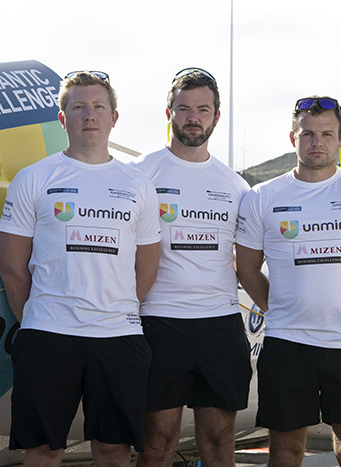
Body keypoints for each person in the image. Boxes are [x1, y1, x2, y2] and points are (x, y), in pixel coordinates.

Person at [0, 71, 161, 467]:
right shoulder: (34, 178)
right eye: (79, 107)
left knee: (113, 451)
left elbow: (147, 267)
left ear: (114, 117)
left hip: (118, 337)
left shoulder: (138, 184)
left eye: (99, 107)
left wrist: (113, 309)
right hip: (48, 335)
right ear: (62, 118)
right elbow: (12, 266)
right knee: (43, 451)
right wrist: (38, 317)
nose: (90, 115)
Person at [236, 96, 341, 467]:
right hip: (287, 345)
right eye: (307, 134)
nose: (317, 142)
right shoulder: (263, 196)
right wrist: (279, 311)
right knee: (286, 451)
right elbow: (246, 269)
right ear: (292, 138)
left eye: (326, 134)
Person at [131, 67, 252, 467]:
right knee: (157, 444)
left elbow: (246, 259)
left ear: (217, 116)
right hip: (158, 321)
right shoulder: (138, 173)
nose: (193, 118)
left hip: (220, 324)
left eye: (203, 109)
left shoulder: (236, 185)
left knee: (219, 444)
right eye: (184, 109)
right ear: (169, 113)